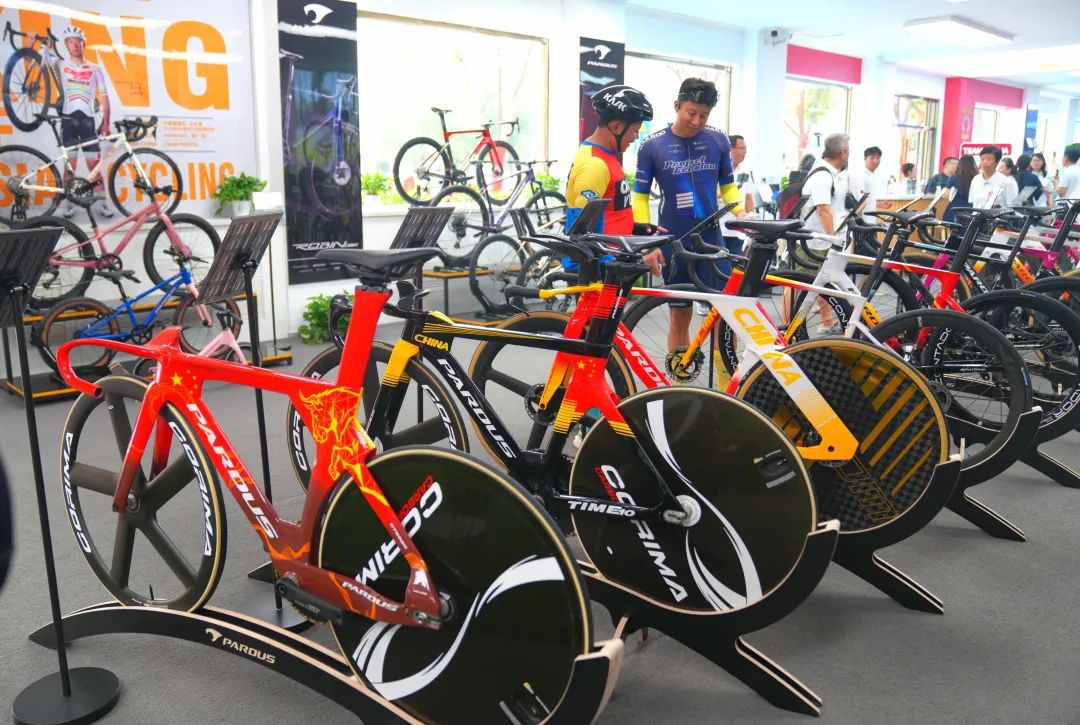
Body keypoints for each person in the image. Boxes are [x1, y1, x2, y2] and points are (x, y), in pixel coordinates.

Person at [633, 77, 746, 352]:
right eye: (691, 113)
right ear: (677, 106)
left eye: (704, 115)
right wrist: (646, 240)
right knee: (679, 313)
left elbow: (728, 187)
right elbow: (640, 196)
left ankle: (726, 374)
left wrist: (742, 214)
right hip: (674, 240)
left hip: (710, 239)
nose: (697, 121)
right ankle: (678, 374)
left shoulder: (718, 140)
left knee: (724, 312)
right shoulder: (652, 145)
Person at [33, 26, 113, 219]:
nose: (75, 45)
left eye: (78, 41)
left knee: (94, 166)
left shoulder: (95, 68)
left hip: (87, 122)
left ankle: (103, 204)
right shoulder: (60, 64)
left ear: (83, 44)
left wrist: (106, 123)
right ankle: (68, 204)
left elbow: (104, 97)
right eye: (70, 41)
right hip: (68, 121)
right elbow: (40, 59)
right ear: (66, 45)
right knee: (70, 167)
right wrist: (33, 40)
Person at [565, 84, 653, 240]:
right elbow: (581, 238)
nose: (636, 137)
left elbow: (610, 211)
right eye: (635, 130)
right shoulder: (594, 164)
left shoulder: (606, 155)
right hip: (608, 255)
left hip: (617, 251)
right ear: (616, 127)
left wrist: (634, 228)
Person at [944, 155, 977, 222]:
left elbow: (947, 196)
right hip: (971, 209)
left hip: (954, 210)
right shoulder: (977, 178)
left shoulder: (954, 178)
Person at [851, 146, 881, 221]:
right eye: (872, 158)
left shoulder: (872, 175)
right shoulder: (861, 176)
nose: (875, 161)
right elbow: (861, 202)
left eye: (878, 158)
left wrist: (881, 204)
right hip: (863, 221)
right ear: (865, 159)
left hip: (871, 219)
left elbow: (868, 201)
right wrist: (854, 220)